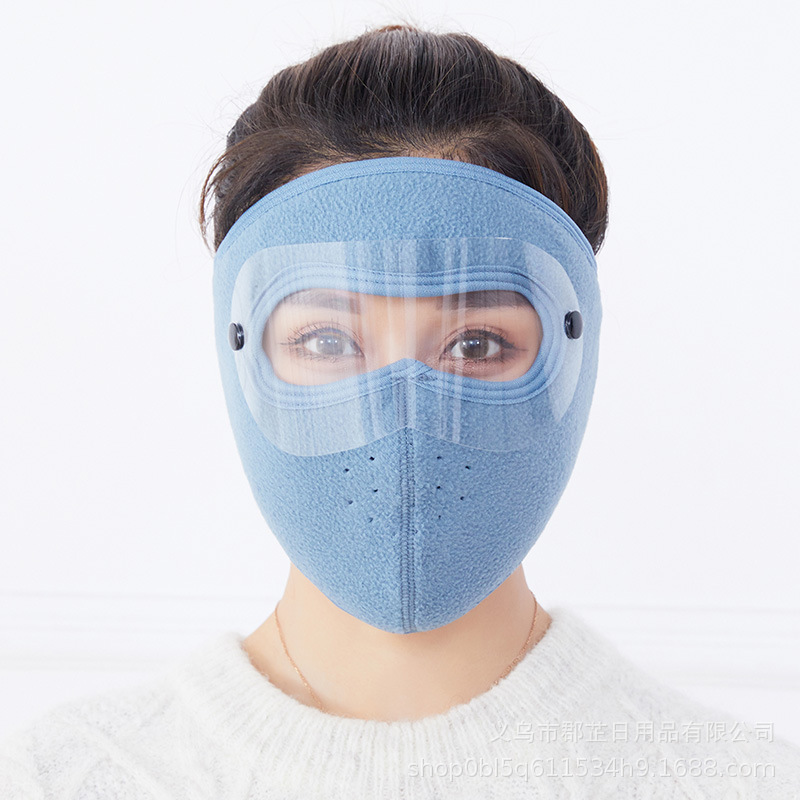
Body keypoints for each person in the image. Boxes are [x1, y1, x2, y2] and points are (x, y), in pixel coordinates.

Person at [2, 22, 799, 800]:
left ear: (574, 353)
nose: (402, 423)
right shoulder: (56, 779)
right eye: (325, 341)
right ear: (240, 351)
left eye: (477, 344)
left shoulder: (740, 783)